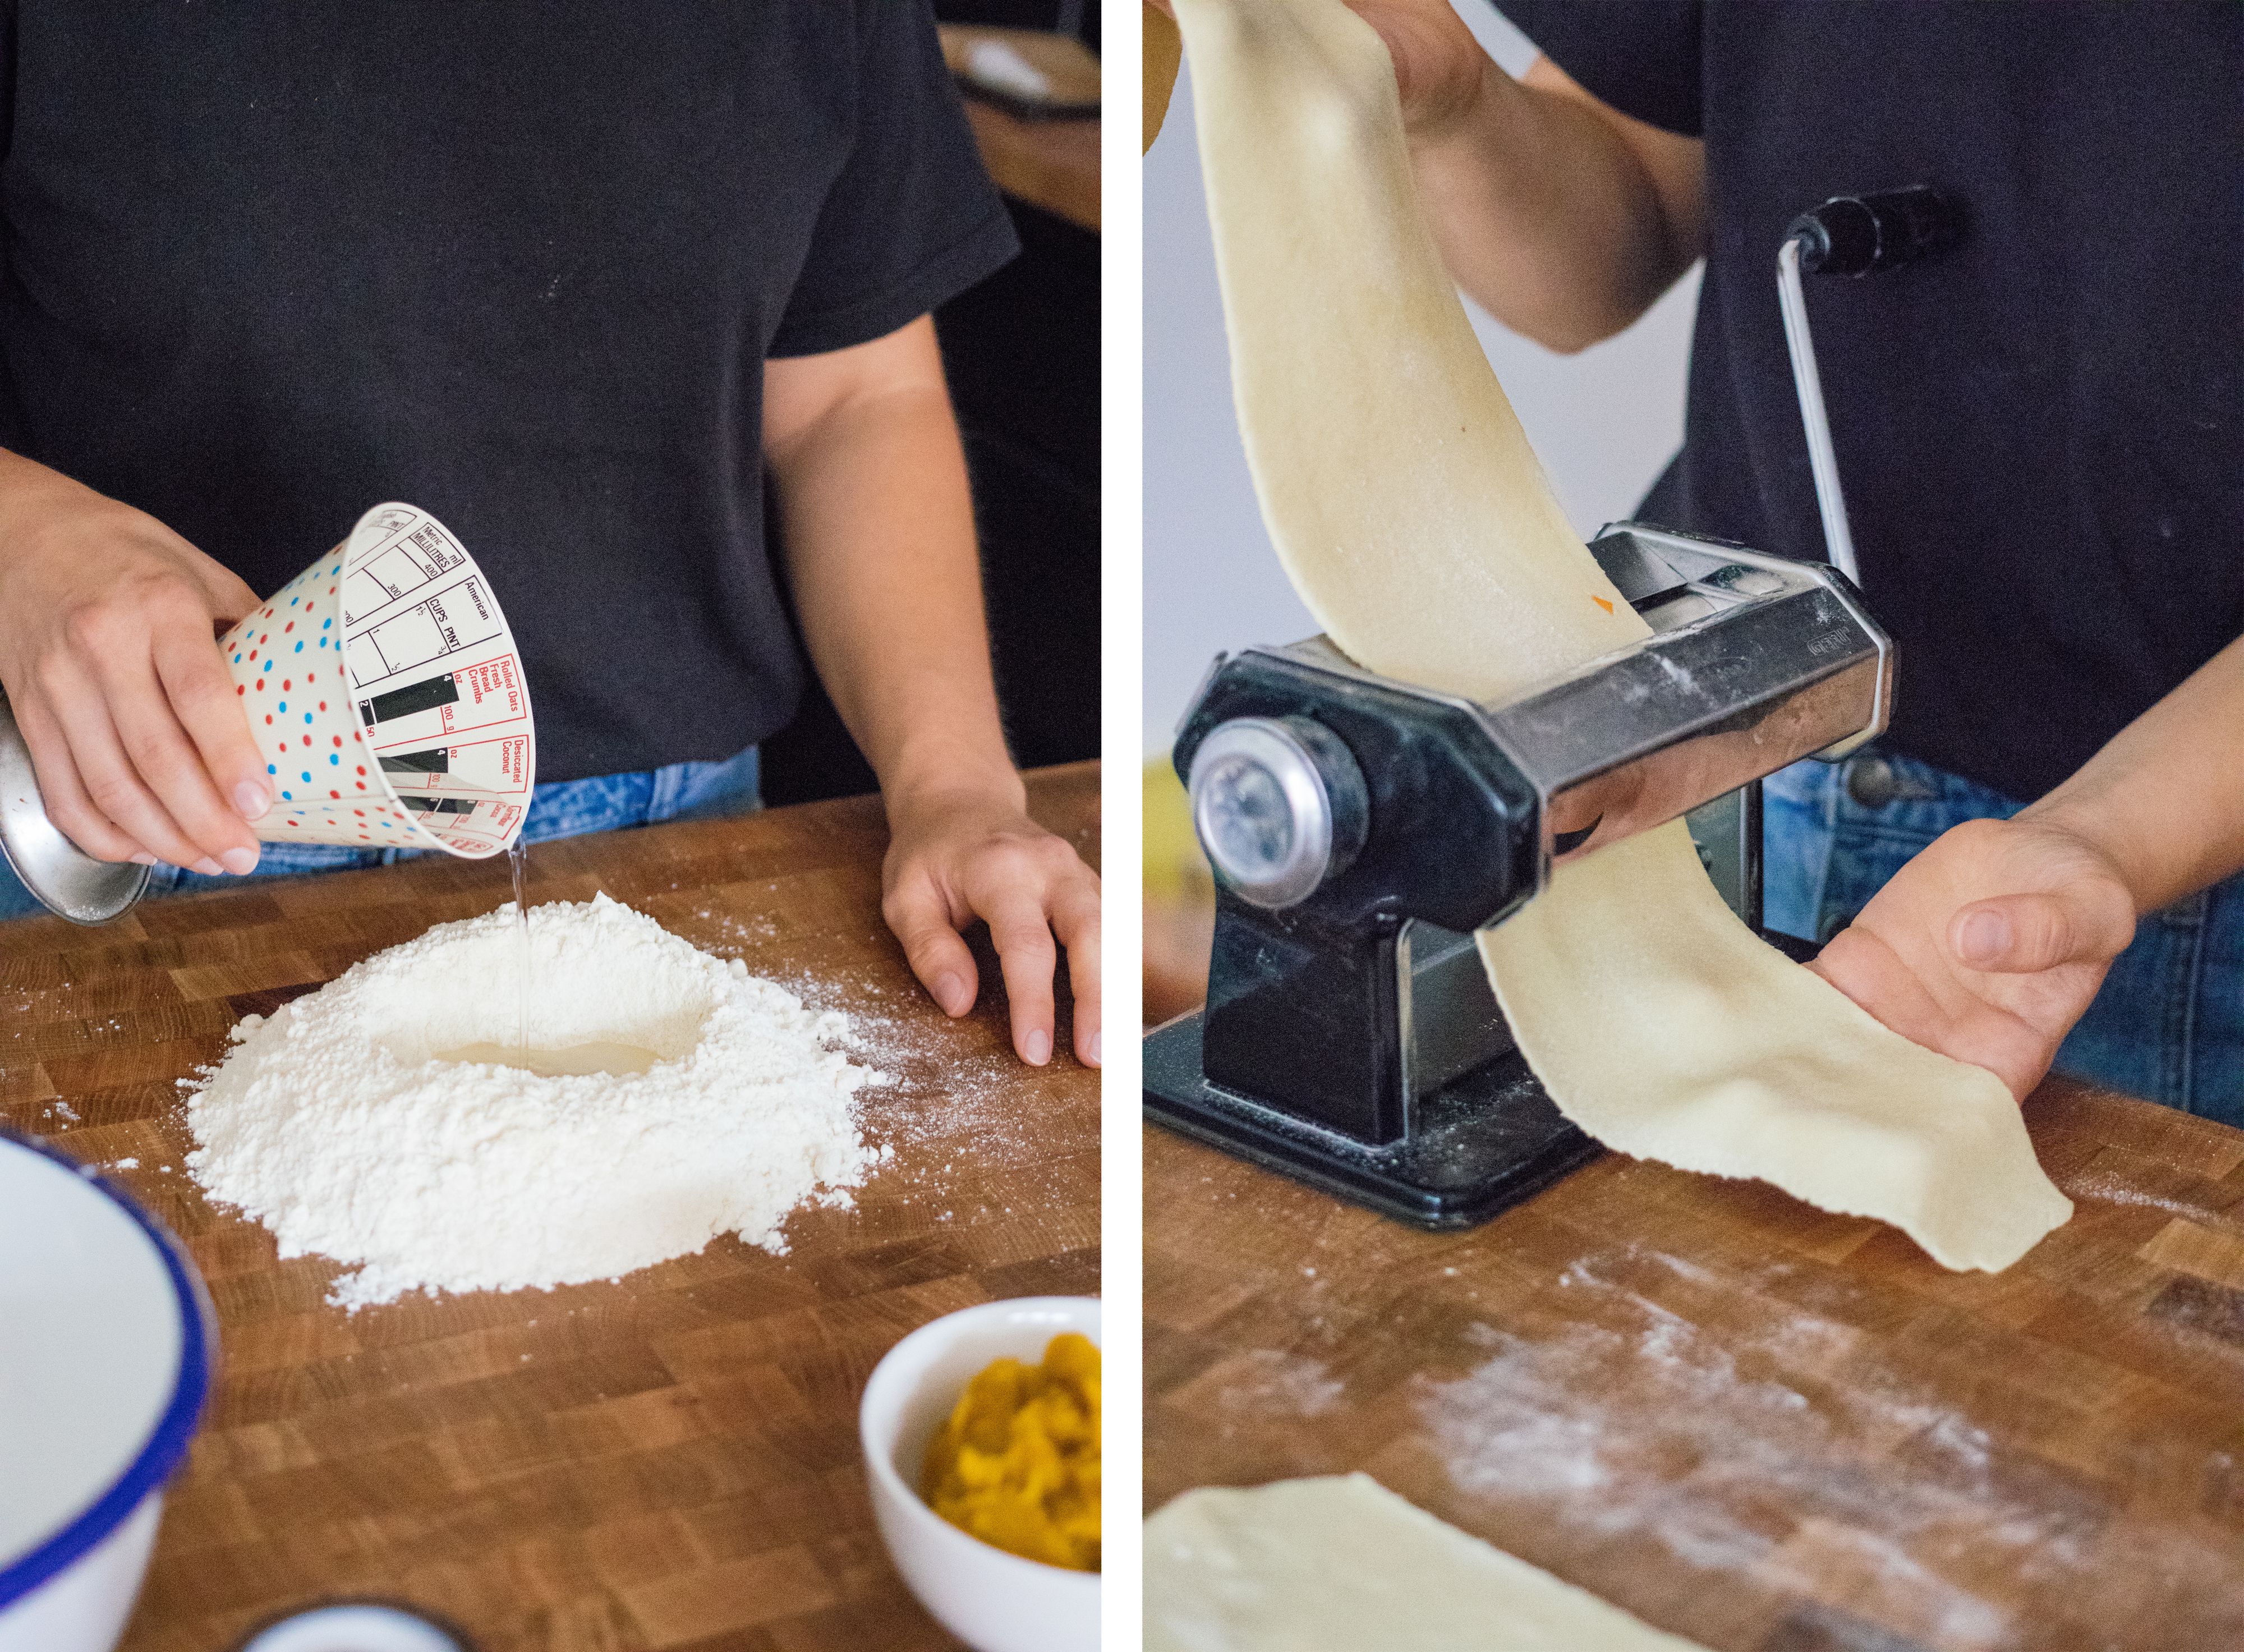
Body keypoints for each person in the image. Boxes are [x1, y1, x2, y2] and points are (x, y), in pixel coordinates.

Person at [1172, 0, 2241, 1114]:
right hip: (1710, 770)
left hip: (2172, 875)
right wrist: (1454, 106)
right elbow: (1601, 239)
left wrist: (2098, 843)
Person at [0, 5, 1100, 1069]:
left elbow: (852, 397)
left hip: (680, 856)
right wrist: (23, 534)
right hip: (115, 838)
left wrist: (956, 790)